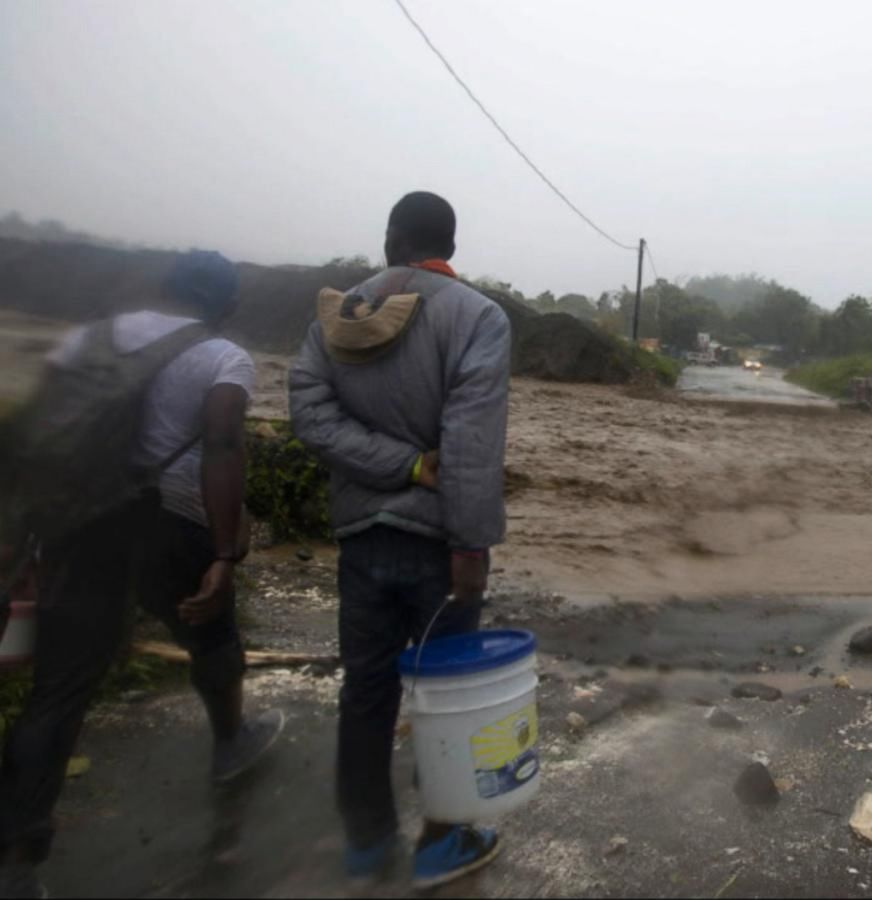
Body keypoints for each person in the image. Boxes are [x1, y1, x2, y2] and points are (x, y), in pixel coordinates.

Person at [0, 252, 284, 900]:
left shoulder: (88, 338)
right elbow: (220, 445)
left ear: (167, 288)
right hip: (169, 520)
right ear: (227, 306)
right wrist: (222, 553)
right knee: (210, 634)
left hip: (79, 525)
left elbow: (34, 440)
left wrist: (19, 543)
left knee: (60, 687)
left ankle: (16, 860)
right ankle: (231, 742)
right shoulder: (222, 357)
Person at [289, 192, 512, 889]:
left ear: (391, 238)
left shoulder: (336, 313)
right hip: (439, 543)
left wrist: (391, 464)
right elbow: (471, 439)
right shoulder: (478, 317)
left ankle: (366, 844)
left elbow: (308, 413)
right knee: (448, 698)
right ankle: (441, 843)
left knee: (365, 690)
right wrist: (471, 544)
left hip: (360, 537)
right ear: (449, 243)